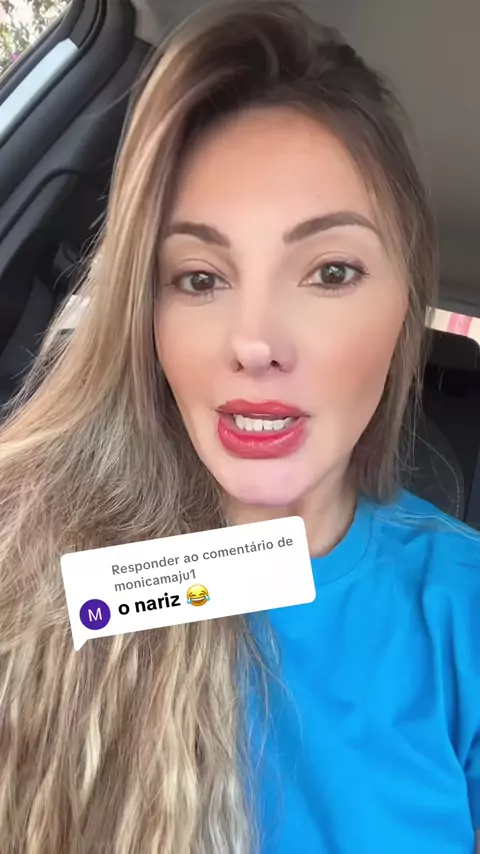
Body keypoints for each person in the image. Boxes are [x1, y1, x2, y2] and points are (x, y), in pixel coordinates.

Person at [0, 1, 479, 852]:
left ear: (405, 303)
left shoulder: (461, 606)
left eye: (330, 272)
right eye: (199, 278)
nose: (255, 343)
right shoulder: (35, 565)